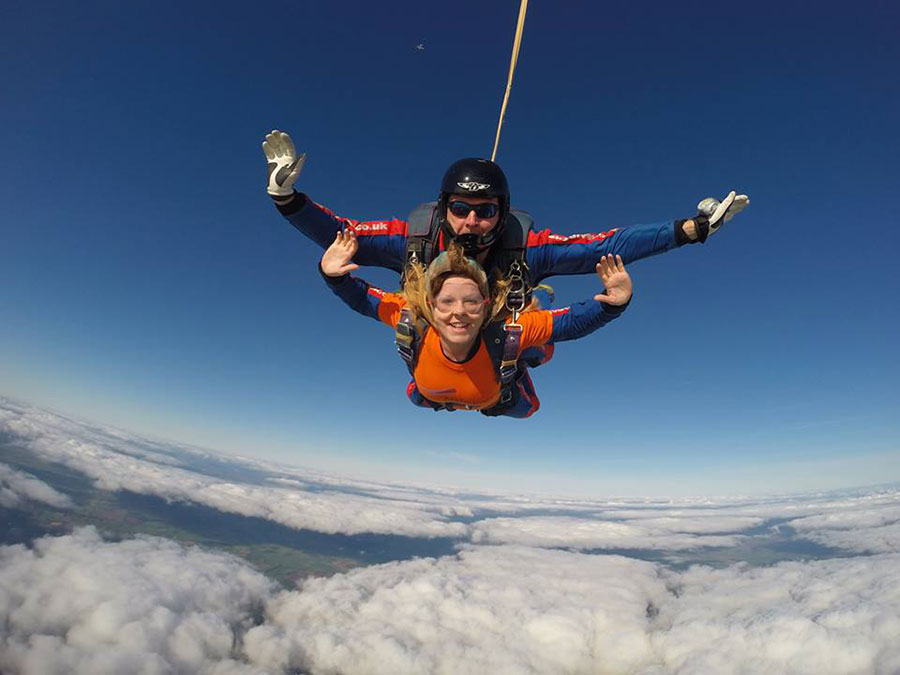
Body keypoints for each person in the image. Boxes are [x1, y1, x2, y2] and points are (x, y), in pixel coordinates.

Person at [263, 129, 750, 292]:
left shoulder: (526, 250)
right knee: (425, 385)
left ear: (503, 213)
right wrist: (288, 200)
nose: (472, 221)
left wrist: (691, 229)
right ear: (443, 207)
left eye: (486, 211)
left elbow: (604, 246)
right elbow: (341, 235)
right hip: (435, 336)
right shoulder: (412, 240)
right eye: (460, 208)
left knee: (520, 392)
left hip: (499, 339)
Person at [318, 230, 634, 418]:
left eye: (471, 302)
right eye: (447, 302)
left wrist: (613, 304)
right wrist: (333, 275)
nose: (459, 313)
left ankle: (536, 297)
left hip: (497, 384)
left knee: (537, 369)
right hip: (439, 393)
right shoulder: (411, 317)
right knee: (417, 398)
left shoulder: (510, 331)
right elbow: (365, 301)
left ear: (485, 306)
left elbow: (570, 324)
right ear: (430, 305)